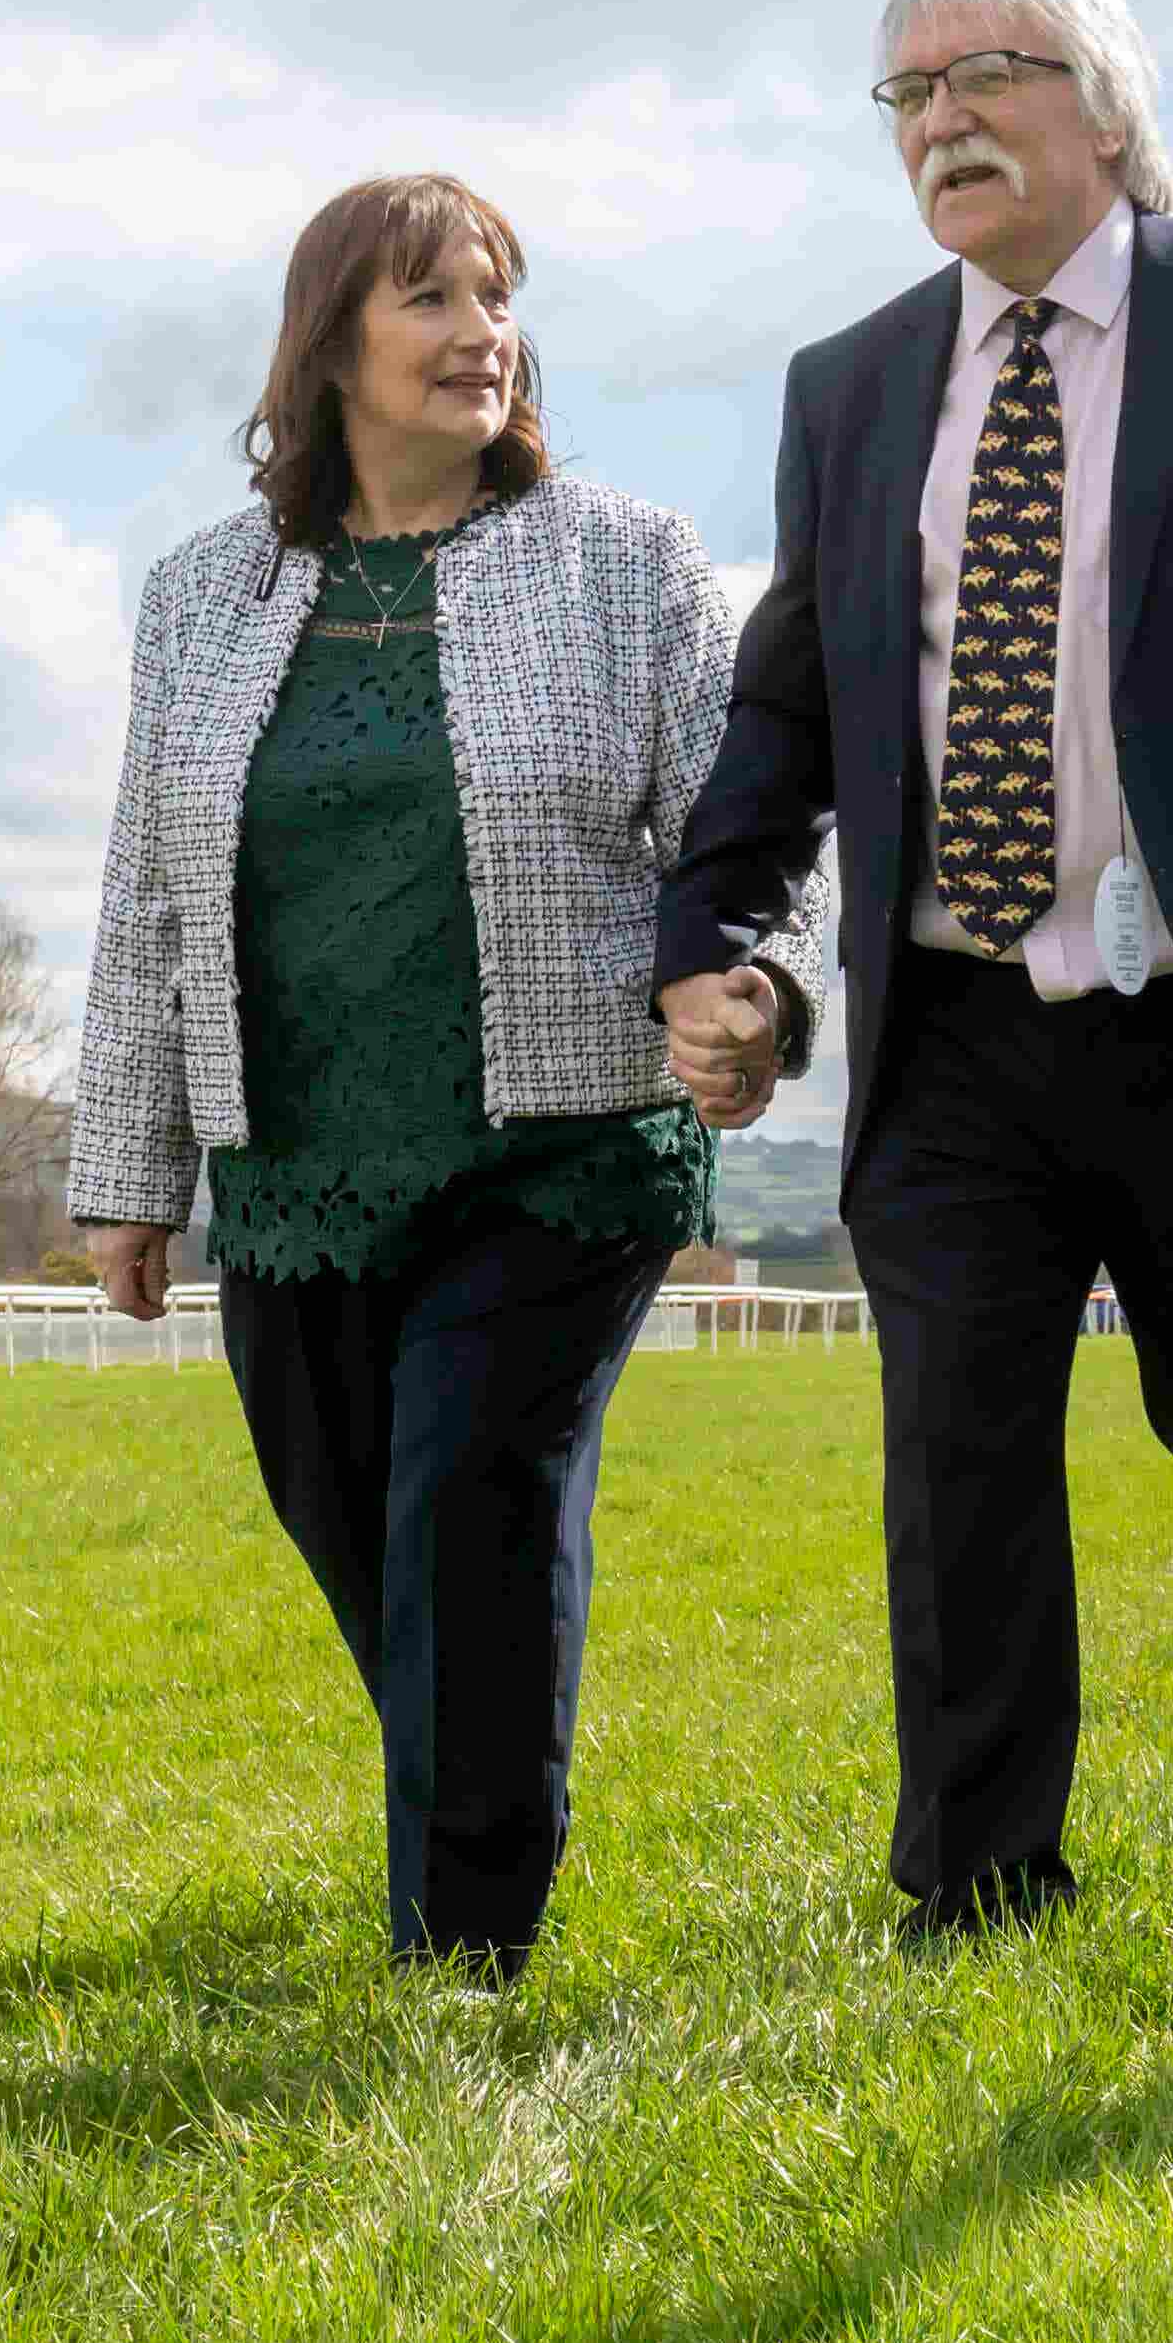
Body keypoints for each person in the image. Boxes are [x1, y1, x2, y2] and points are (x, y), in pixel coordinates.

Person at [657, 0, 1173, 1944]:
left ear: (1104, 105)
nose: (941, 118)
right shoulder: (849, 385)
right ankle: (979, 1885)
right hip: (947, 1030)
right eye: (906, 93)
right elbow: (793, 702)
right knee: (957, 1472)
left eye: (986, 73)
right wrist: (716, 921)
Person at [70, 169, 822, 1978]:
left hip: (558, 1151)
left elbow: (743, 828)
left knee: (469, 1518)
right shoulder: (200, 595)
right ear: (330, 344)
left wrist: (758, 991)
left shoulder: (624, 561)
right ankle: (475, 1801)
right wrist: (127, 1167)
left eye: (499, 299)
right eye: (432, 300)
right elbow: (149, 892)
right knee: (362, 1534)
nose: (481, 333)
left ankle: (463, 1959)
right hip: (298, 1158)